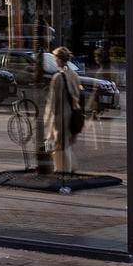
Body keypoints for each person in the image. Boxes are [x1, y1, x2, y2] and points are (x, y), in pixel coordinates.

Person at [45, 45, 84, 175]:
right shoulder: (73, 75)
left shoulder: (57, 77)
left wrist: (48, 119)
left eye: (55, 58)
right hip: (72, 113)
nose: (55, 61)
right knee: (67, 142)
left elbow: (53, 101)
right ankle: (70, 167)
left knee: (59, 143)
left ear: (60, 60)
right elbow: (78, 94)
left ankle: (62, 169)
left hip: (61, 114)